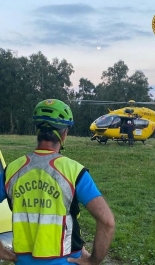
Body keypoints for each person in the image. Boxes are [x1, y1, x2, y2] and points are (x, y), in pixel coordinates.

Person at [0, 99, 115, 265]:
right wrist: (93, 260)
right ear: (64, 133)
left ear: (37, 131)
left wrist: (1, 250)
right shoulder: (74, 171)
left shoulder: (12, 170)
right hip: (66, 259)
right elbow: (107, 221)